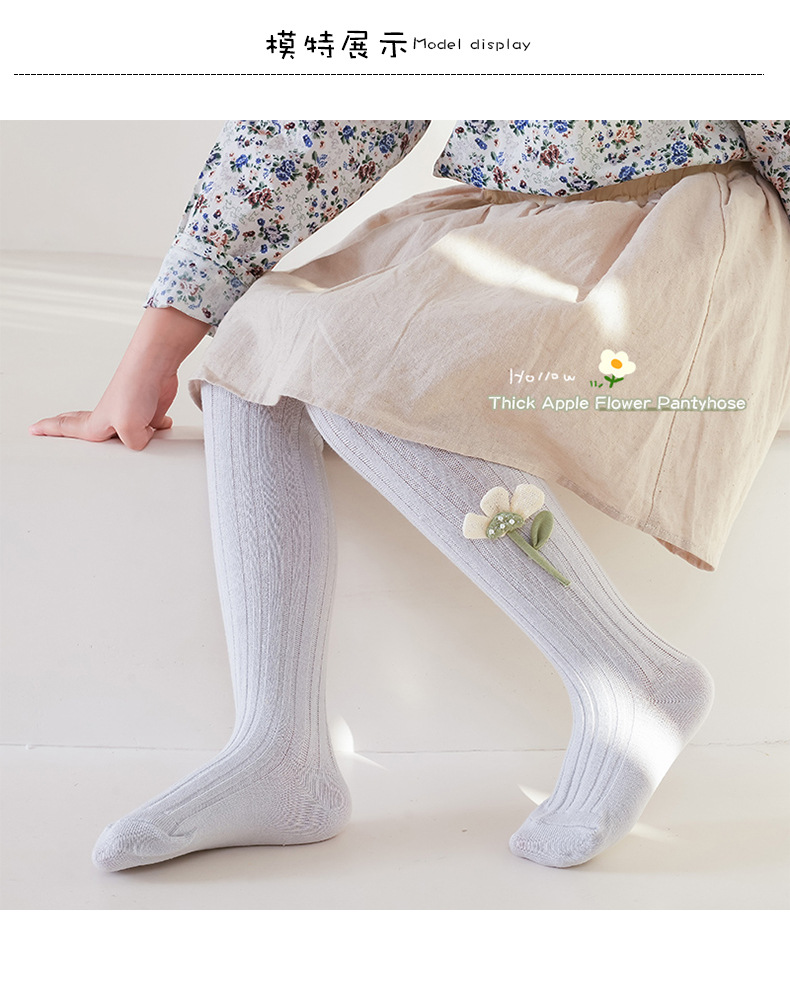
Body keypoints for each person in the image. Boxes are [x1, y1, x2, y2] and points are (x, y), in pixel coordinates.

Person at [29, 121, 790, 872]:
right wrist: (154, 352)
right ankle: (277, 748)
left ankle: (625, 671)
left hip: (681, 239)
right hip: (506, 212)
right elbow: (321, 122)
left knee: (370, 369)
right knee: (253, 350)